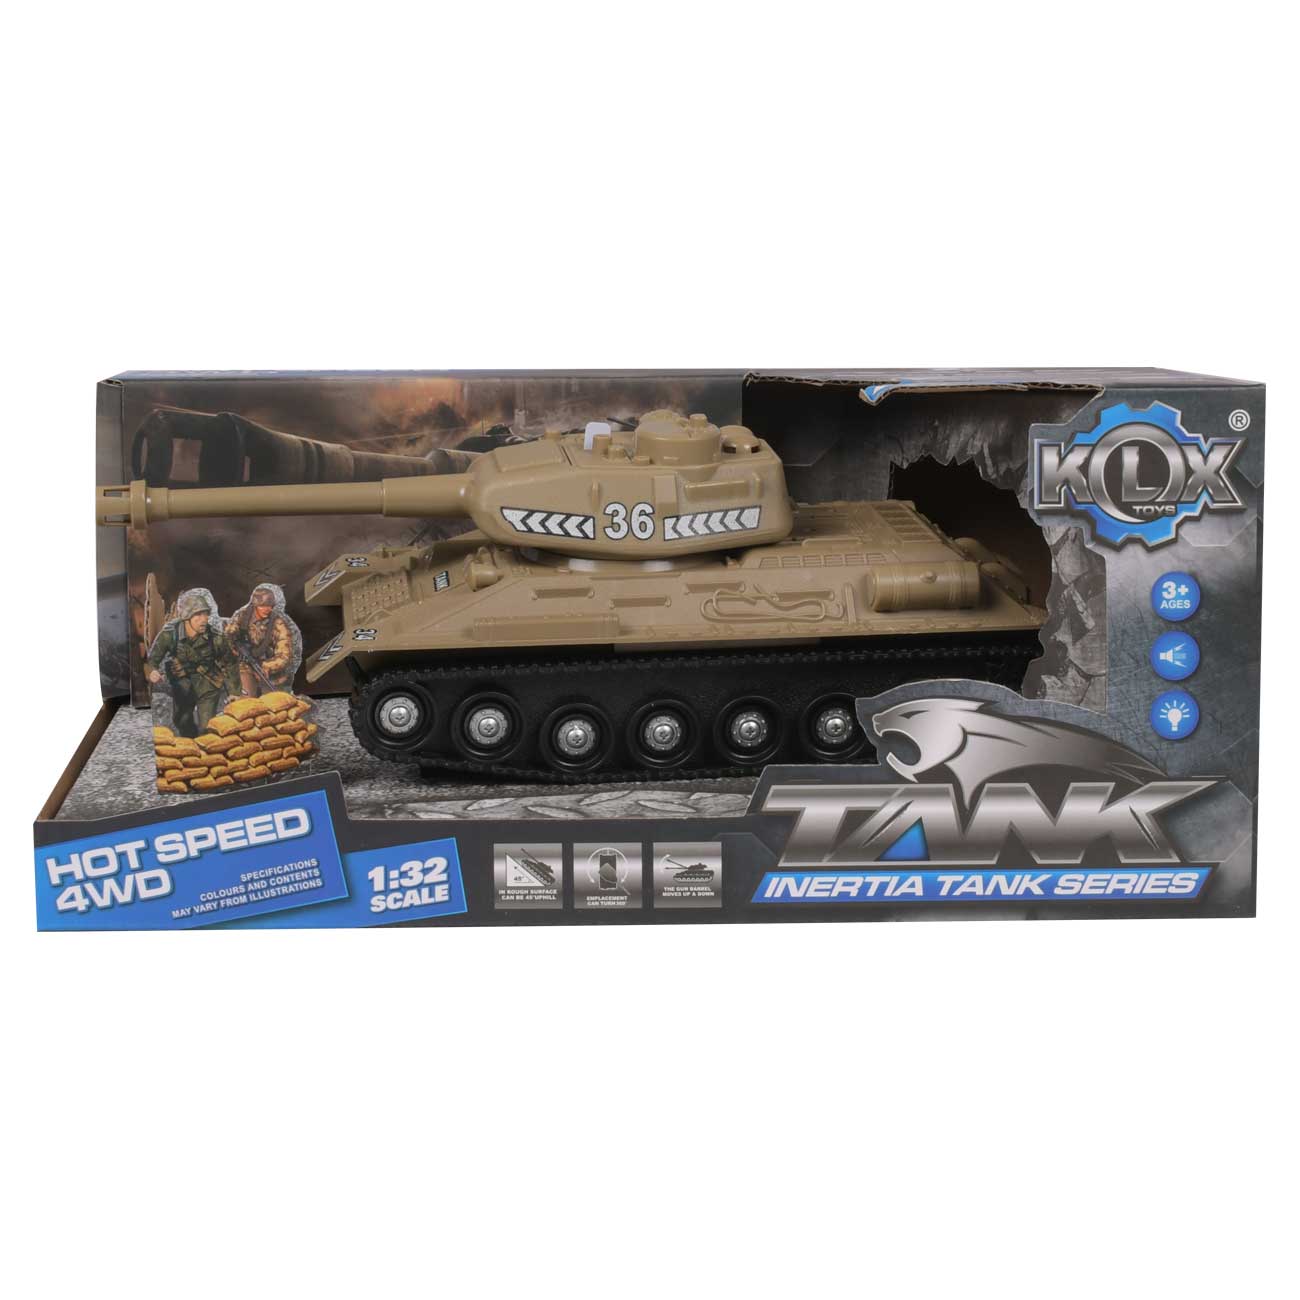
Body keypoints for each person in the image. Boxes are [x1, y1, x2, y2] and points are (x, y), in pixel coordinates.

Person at [145, 589, 241, 737]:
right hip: (182, 684)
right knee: (182, 723)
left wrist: (234, 692)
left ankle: (206, 747)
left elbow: (230, 663)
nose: (204, 619)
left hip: (208, 682)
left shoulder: (215, 636)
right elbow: (152, 659)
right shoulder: (171, 633)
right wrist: (152, 671)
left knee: (207, 726)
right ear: (187, 617)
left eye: (206, 614)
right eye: (198, 615)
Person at [226, 583, 300, 696]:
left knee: (273, 701)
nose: (267, 609)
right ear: (255, 605)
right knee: (246, 699)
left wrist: (267, 666)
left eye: (270, 605)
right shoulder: (243, 616)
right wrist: (234, 647)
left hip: (272, 672)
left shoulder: (279, 624)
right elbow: (229, 634)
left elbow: (285, 655)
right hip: (246, 666)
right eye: (263, 606)